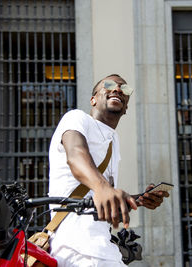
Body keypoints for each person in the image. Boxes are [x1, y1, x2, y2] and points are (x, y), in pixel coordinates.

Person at [48, 74, 169, 266]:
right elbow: (76, 155)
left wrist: (137, 200)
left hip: (102, 247)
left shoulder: (113, 141)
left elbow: (101, 200)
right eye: (110, 85)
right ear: (93, 99)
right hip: (77, 248)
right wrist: (103, 188)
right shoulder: (77, 118)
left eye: (125, 89)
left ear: (126, 107)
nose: (118, 89)